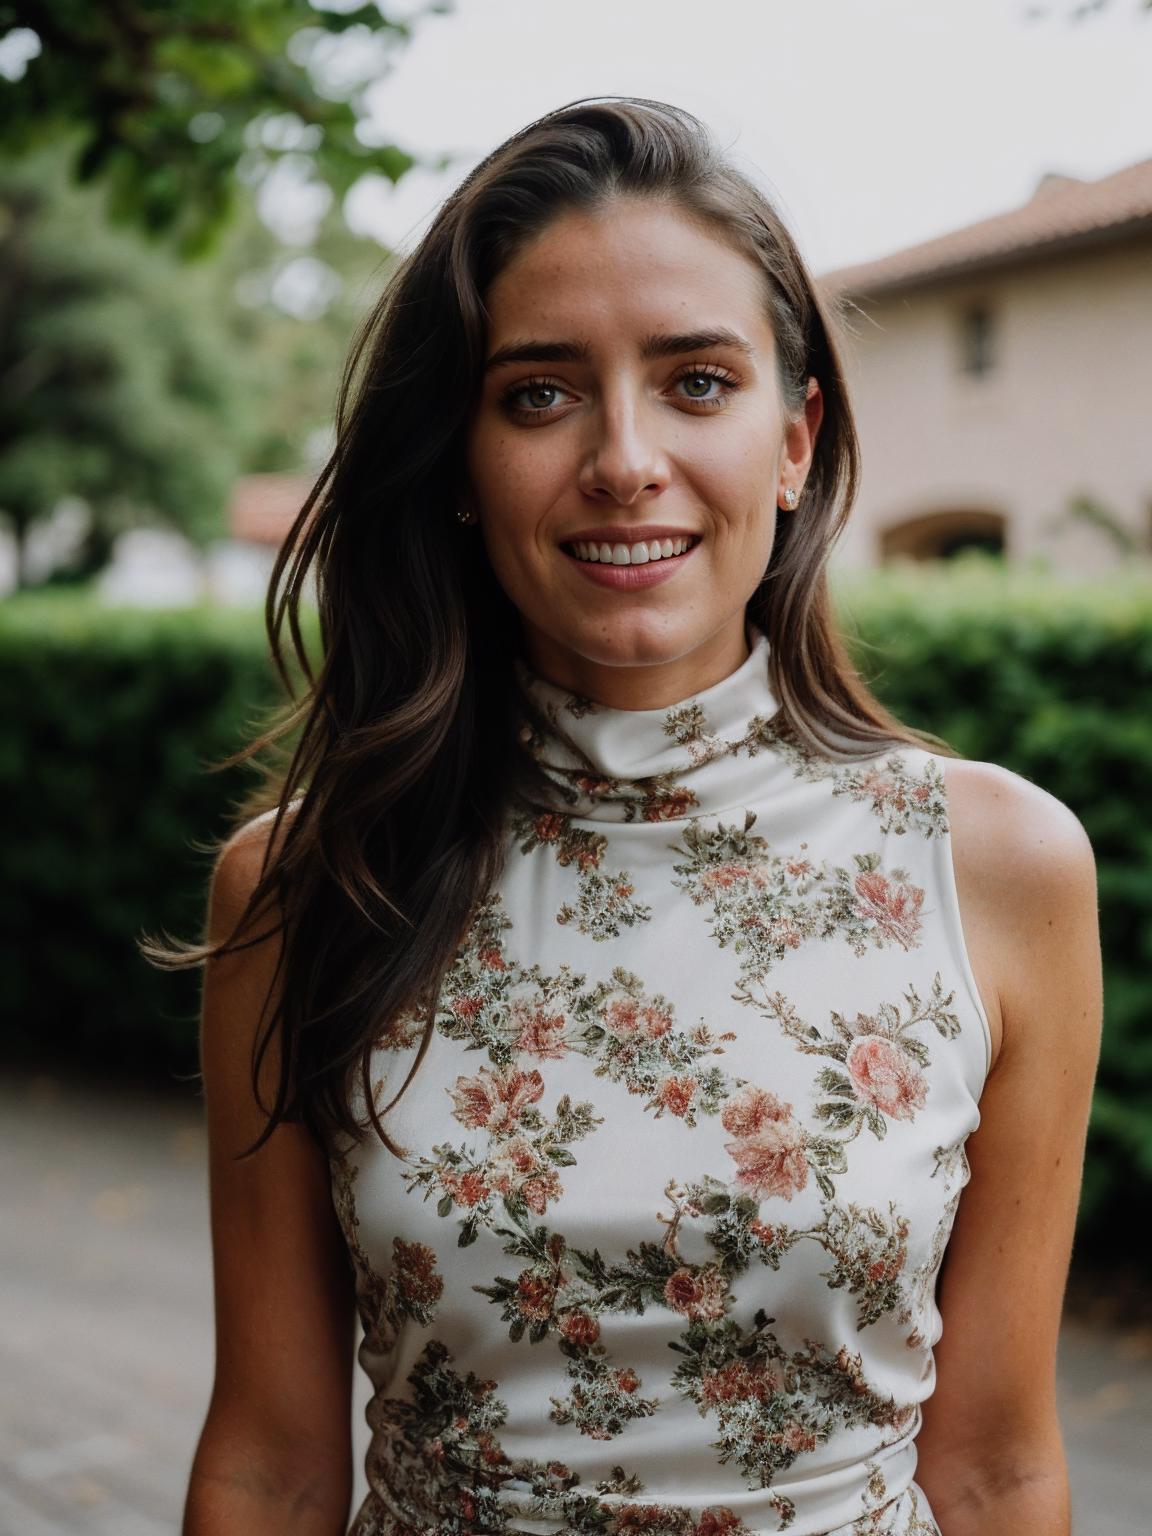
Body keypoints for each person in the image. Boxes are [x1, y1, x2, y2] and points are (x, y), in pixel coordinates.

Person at [153, 97, 1102, 1536]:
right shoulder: (305, 887)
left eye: (697, 383)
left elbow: (996, 1469)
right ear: (463, 466)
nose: (622, 457)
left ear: (796, 443)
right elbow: (271, 1465)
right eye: (538, 393)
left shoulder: (999, 870)